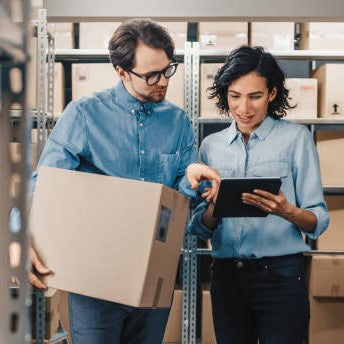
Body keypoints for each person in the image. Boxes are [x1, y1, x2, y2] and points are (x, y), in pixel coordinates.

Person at [28, 19, 219, 344]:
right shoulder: (85, 115)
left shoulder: (178, 123)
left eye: (167, 70)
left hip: (152, 278)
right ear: (121, 72)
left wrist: (191, 180)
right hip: (94, 281)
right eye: (150, 76)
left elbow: (180, 202)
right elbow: (44, 185)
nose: (162, 82)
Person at [185, 46, 330, 344]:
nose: (244, 108)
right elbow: (198, 227)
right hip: (226, 276)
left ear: (272, 93)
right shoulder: (211, 146)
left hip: (281, 275)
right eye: (235, 96)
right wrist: (213, 206)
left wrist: (285, 210)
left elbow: (319, 220)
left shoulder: (296, 139)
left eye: (255, 96)